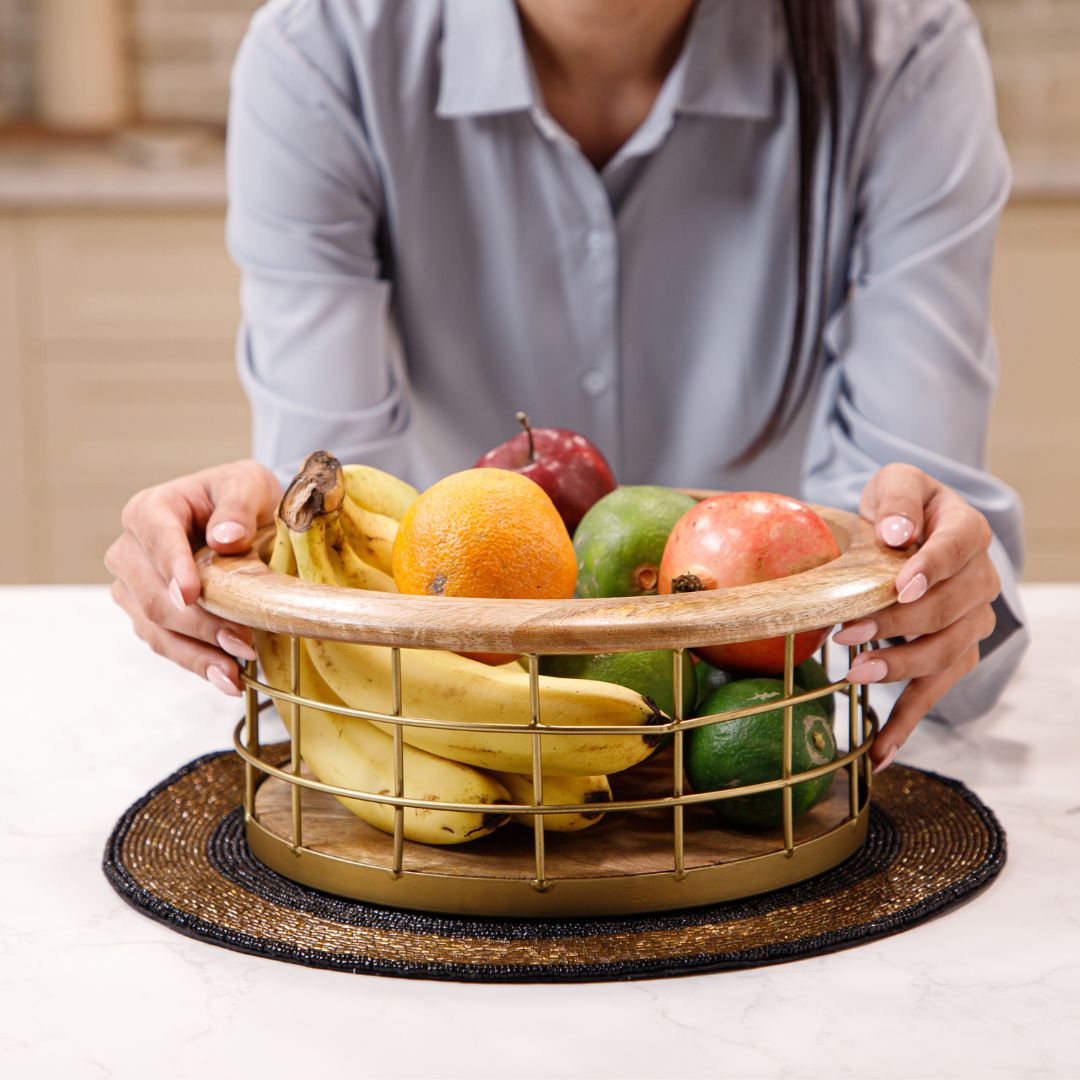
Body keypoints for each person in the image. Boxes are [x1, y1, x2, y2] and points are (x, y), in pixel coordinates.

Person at [104, 0, 1028, 772]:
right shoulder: (325, 53)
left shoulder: (903, 47)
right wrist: (238, 560)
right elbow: (339, 512)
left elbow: (921, 536)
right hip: (464, 715)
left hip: (761, 723)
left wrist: (931, 585)